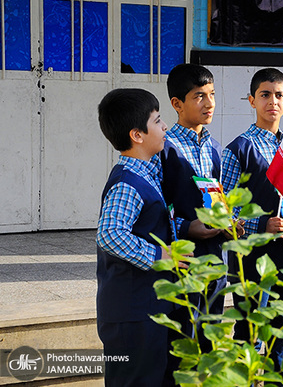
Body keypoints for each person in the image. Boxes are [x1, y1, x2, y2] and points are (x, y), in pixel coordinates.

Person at [221, 67, 283, 386]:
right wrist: (263, 223)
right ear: (252, 100)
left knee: (282, 332)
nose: (272, 102)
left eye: (279, 96)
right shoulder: (239, 149)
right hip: (250, 260)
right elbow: (225, 211)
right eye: (264, 95)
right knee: (250, 333)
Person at [96, 88, 191, 386]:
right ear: (137, 135)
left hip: (147, 307)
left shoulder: (147, 173)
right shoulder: (128, 182)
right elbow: (110, 233)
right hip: (131, 314)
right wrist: (158, 256)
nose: (165, 128)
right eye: (158, 120)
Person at [160, 63, 236, 348]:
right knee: (182, 340)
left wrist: (229, 221)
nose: (209, 103)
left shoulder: (215, 148)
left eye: (212, 94)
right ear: (177, 104)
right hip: (183, 258)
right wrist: (185, 226)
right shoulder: (164, 147)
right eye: (199, 96)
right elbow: (156, 205)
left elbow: (217, 198)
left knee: (210, 334)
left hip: (214, 258)